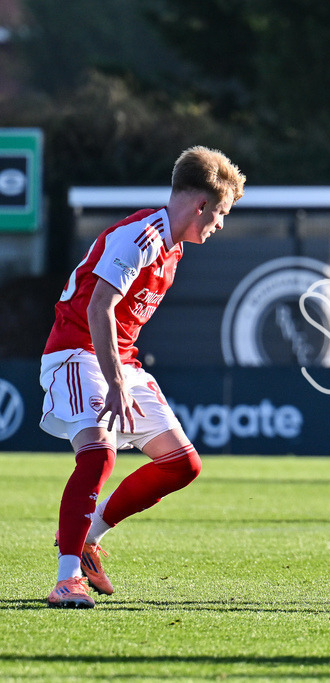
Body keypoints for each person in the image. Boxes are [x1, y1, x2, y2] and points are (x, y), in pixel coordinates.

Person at [39, 146, 246, 608]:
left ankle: (86, 537)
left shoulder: (171, 250)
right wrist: (114, 383)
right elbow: (98, 308)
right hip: (75, 351)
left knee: (182, 465)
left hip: (118, 360)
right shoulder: (143, 237)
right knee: (97, 455)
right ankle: (66, 578)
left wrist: (120, 374)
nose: (221, 223)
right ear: (201, 205)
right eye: (222, 211)